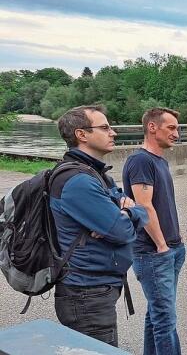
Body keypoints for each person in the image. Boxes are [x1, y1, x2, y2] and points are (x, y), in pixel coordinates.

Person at [50, 105, 148, 347]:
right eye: (105, 128)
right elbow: (123, 231)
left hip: (95, 289)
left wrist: (125, 211)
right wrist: (124, 211)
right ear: (81, 134)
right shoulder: (78, 181)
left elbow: (138, 212)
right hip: (86, 294)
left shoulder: (96, 174)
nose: (113, 132)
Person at [123, 107, 185, 355]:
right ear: (152, 127)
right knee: (165, 321)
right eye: (171, 128)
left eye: (177, 128)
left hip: (169, 248)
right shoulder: (140, 161)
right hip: (152, 253)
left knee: (157, 314)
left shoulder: (159, 160)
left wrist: (174, 238)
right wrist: (161, 245)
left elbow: (162, 203)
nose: (177, 134)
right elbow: (144, 205)